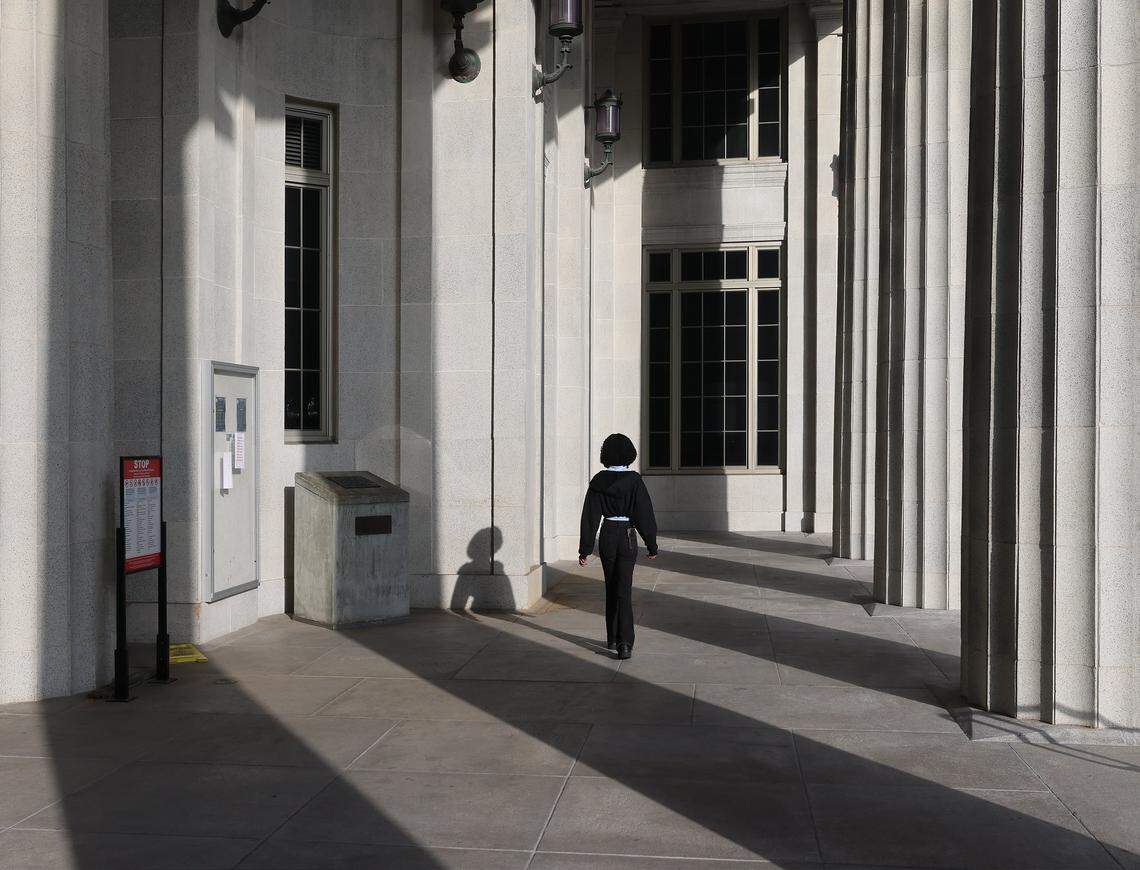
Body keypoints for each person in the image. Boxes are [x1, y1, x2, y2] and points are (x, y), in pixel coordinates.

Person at [578, 433, 658, 660]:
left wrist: (584, 549)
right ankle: (624, 643)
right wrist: (651, 544)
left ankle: (612, 637)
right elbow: (644, 515)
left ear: (606, 455)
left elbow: (590, 518)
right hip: (627, 536)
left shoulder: (598, 481)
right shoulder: (634, 481)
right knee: (624, 589)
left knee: (611, 587)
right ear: (629, 454)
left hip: (607, 534)